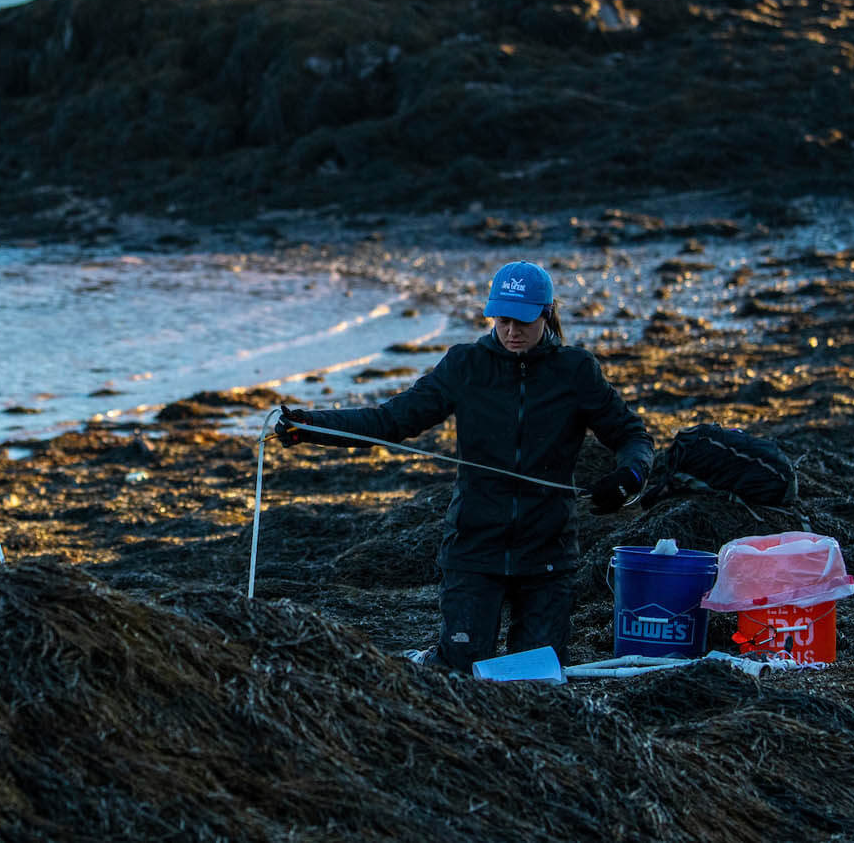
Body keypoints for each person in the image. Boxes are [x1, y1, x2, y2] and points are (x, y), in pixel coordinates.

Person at [276, 260, 652, 672]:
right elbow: (389, 420)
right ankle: (431, 657)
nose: (511, 331)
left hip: (548, 554)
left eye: (523, 321)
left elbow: (632, 436)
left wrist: (630, 476)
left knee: (539, 674)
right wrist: (311, 426)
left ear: (546, 314)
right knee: (460, 669)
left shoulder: (576, 371)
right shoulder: (464, 365)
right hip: (474, 549)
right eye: (503, 319)